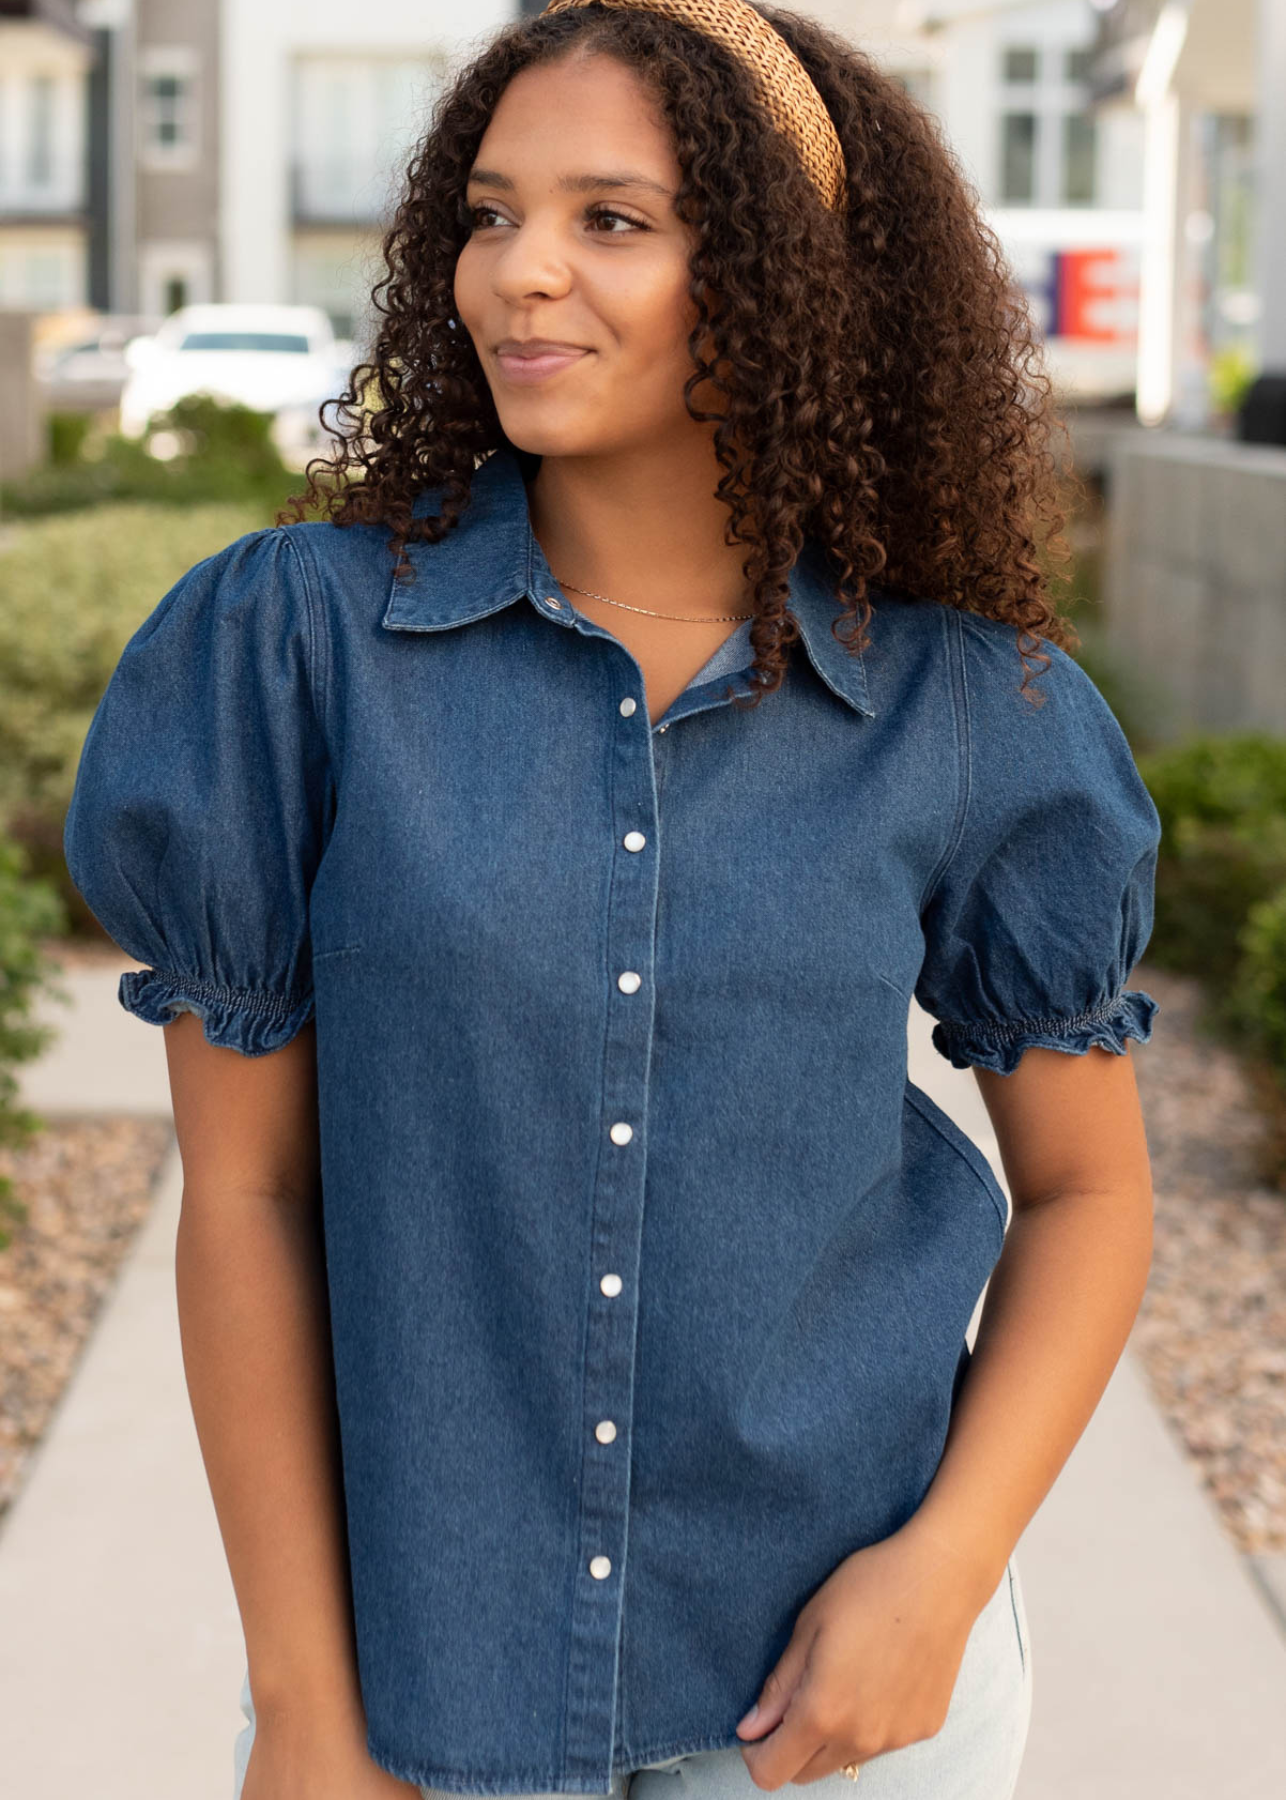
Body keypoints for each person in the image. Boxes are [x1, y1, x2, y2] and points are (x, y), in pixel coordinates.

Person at [62, 4, 1163, 1799]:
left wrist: (943, 1575)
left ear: (785, 278)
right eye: (491, 216)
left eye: (612, 221)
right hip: (427, 1697)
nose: (521, 277)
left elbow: (1092, 1188)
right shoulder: (293, 652)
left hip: (843, 1699)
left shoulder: (969, 711)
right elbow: (247, 1190)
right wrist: (307, 1709)